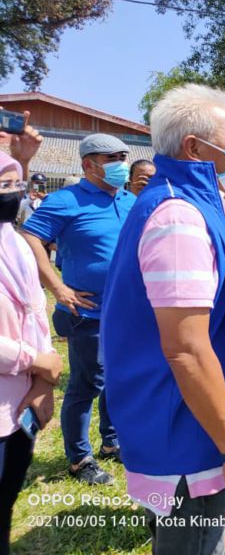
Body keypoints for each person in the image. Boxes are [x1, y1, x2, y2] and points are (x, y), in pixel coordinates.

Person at [102, 83, 225, 555]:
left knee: (194, 535)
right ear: (195, 147)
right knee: (190, 537)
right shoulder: (179, 218)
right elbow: (185, 350)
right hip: (192, 436)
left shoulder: (189, 204)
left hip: (187, 422)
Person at [21, 133, 135, 485]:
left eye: (123, 156)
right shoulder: (66, 200)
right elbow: (29, 238)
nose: (121, 163)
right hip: (87, 311)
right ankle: (79, 457)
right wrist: (59, 287)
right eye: (112, 157)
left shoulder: (130, 200)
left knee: (120, 379)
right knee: (88, 382)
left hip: (128, 310)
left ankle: (112, 442)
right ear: (89, 165)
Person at [0, 151, 63, 555]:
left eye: (15, 184)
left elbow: (36, 312)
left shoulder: (15, 242)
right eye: (4, 185)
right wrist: (31, 360)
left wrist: (43, 380)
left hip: (19, 404)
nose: (14, 193)